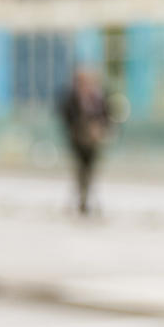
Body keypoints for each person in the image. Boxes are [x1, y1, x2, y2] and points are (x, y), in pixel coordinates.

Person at [56, 65, 113, 216]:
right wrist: (79, 128)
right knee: (81, 170)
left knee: (89, 170)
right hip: (78, 140)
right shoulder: (72, 97)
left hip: (94, 140)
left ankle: (85, 200)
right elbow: (65, 116)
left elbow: (107, 115)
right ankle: (82, 200)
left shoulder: (99, 97)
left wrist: (101, 129)